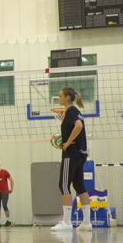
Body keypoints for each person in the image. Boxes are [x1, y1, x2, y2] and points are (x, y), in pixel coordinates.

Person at [52, 87, 92, 232]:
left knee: (63, 185)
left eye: (60, 96)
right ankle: (86, 223)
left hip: (71, 154)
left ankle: (67, 222)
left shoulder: (71, 111)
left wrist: (68, 143)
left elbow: (78, 126)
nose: (59, 98)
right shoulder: (76, 112)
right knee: (79, 186)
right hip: (80, 155)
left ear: (67, 97)